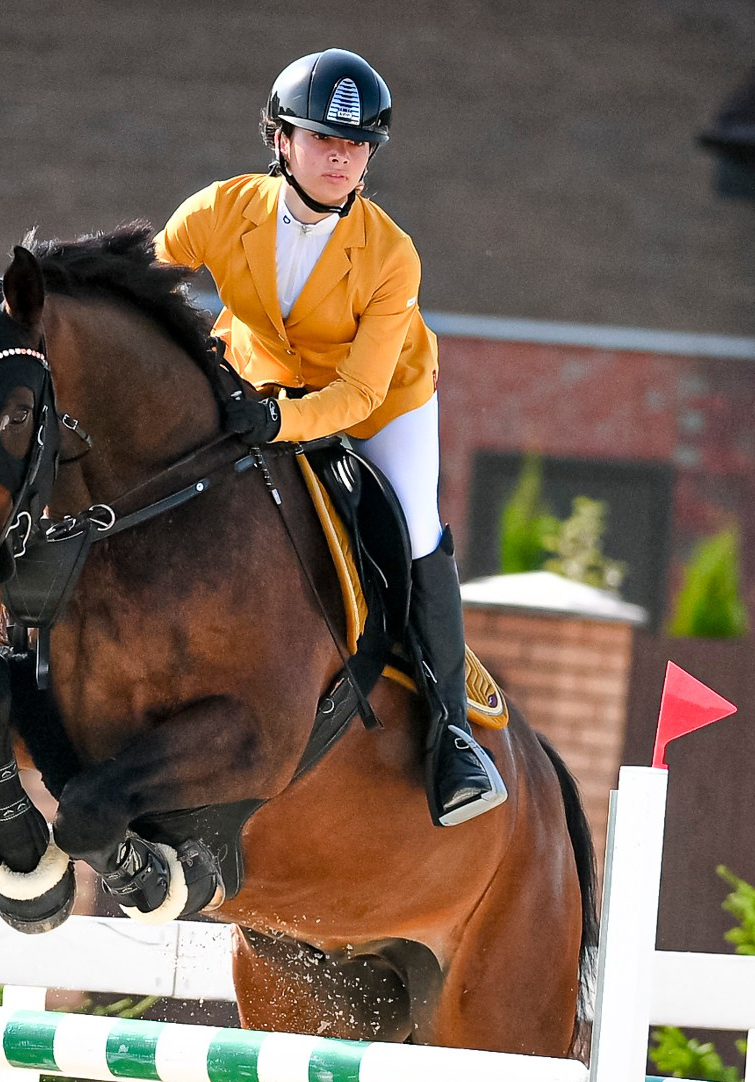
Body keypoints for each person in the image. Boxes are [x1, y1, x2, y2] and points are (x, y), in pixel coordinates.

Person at [158, 49, 506, 827]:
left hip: (383, 404)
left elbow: (357, 392)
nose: (342, 156)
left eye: (357, 145)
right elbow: (144, 290)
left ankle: (451, 735)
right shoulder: (216, 210)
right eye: (323, 138)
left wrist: (281, 422)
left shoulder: (392, 255)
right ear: (280, 140)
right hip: (258, 378)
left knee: (415, 529)